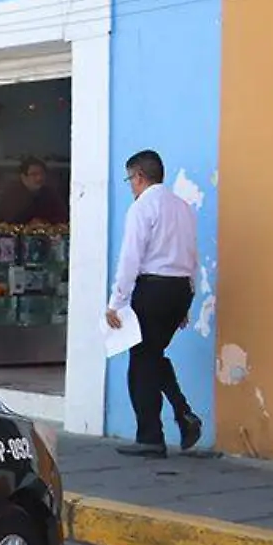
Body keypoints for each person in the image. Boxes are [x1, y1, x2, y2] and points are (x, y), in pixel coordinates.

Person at [106, 149, 201, 458]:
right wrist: (187, 299)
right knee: (153, 354)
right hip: (179, 289)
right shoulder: (183, 207)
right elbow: (192, 255)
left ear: (139, 177)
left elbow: (130, 257)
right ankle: (183, 413)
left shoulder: (142, 207)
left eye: (130, 180)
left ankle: (150, 437)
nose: (131, 186)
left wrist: (116, 302)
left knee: (140, 362)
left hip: (153, 288)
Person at [0, 158, 67, 225]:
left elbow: (62, 217)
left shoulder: (50, 194)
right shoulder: (11, 194)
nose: (39, 178)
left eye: (42, 173)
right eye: (34, 174)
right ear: (23, 177)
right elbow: (6, 220)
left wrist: (45, 222)